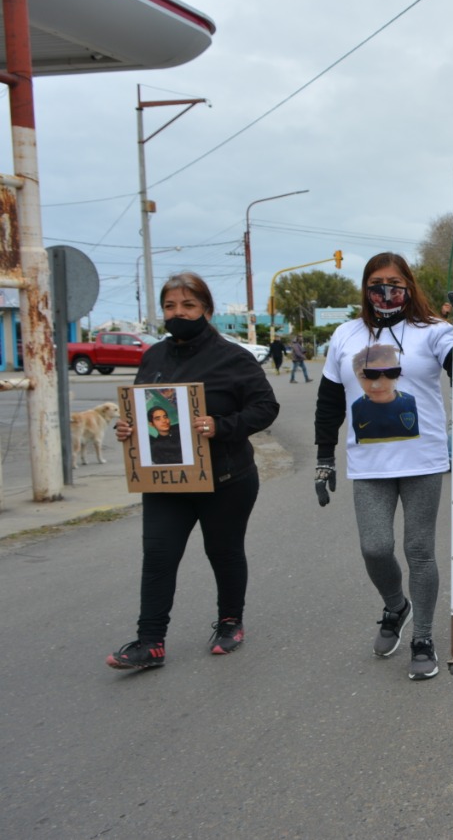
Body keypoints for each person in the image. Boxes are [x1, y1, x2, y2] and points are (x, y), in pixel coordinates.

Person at [106, 272, 280, 671]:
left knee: (223, 551)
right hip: (165, 481)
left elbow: (265, 407)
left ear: (207, 310)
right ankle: (150, 642)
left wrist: (221, 425)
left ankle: (230, 622)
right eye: (170, 306)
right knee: (158, 556)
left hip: (226, 479)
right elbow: (142, 408)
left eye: (188, 305)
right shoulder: (153, 357)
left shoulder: (233, 358)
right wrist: (128, 429)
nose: (178, 313)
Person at [313, 252, 453, 681]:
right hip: (369, 464)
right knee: (374, 548)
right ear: (365, 289)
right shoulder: (345, 334)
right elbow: (329, 402)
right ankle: (396, 606)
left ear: (409, 286)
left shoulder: (434, 331)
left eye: (395, 283)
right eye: (376, 284)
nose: (386, 291)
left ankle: (423, 638)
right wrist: (323, 458)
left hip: (423, 461)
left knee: (419, 551)